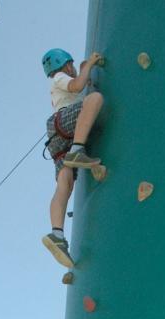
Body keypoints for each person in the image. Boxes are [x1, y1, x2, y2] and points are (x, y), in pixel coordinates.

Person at [41, 48, 104, 268]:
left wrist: (83, 72)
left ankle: (57, 234)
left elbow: (77, 88)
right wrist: (88, 68)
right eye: (72, 64)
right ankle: (78, 149)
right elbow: (77, 86)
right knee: (95, 99)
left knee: (64, 183)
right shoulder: (59, 77)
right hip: (63, 126)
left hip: (58, 138)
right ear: (65, 64)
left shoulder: (62, 81)